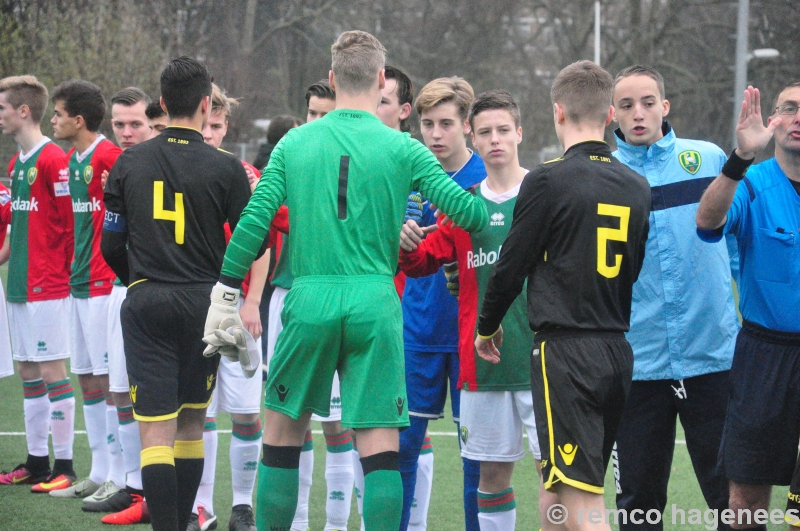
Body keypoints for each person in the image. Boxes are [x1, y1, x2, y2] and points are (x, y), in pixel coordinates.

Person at [203, 30, 488, 531]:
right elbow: (471, 211)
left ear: (332, 80)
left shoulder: (295, 141)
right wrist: (422, 230)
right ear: (381, 81)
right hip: (375, 303)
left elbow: (255, 221)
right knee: (379, 451)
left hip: (309, 300)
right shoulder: (403, 147)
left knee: (282, 438)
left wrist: (226, 293)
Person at [475, 61, 651, 531]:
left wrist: (486, 326)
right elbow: (632, 269)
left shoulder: (548, 179)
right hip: (616, 350)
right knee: (558, 483)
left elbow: (511, 267)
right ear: (611, 113)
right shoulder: (637, 186)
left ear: (557, 112)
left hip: (567, 354)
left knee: (580, 500)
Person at [101, 56, 253, 531]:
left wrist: (139, 280)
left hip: (147, 303)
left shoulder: (129, 161)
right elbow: (254, 240)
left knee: (154, 433)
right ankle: (186, 523)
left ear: (161, 104)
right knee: (191, 424)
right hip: (203, 306)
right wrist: (225, 289)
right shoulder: (227, 167)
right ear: (207, 104)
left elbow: (110, 243)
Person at [399, 89, 559, 531]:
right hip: (481, 366)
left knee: (556, 476)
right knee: (490, 477)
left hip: (542, 361)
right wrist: (406, 244)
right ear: (473, 134)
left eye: (503, 130)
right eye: (485, 131)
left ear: (520, 133)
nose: (495, 140)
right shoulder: (465, 205)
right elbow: (422, 260)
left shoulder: (547, 194)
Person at [610, 65, 738, 531]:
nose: (638, 113)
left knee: (732, 500)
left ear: (665, 106)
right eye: (626, 105)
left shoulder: (707, 160)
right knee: (638, 507)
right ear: (612, 115)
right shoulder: (604, 176)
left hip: (713, 358)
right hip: (638, 364)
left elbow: (736, 244)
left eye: (647, 102)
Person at [696, 83, 800, 531]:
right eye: (790, 109)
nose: (799, 118)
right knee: (745, 499)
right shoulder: (752, 183)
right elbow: (707, 221)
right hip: (766, 355)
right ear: (773, 119)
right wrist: (739, 159)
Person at [265, 77, 359, 531]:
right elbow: (270, 214)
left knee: (338, 428)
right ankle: (297, 522)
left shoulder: (354, 159)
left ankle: (337, 525)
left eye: (327, 113)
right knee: (288, 423)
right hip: (290, 296)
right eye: (313, 114)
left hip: (340, 299)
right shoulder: (292, 155)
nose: (319, 122)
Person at [399, 75, 484, 531]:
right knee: (401, 447)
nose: (435, 134)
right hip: (417, 331)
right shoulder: (407, 173)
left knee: (477, 457)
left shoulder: (486, 179)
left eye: (445, 123)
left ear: (467, 125)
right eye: (427, 124)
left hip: (473, 337)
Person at [189, 82, 268, 531]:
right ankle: (204, 506)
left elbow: (261, 245)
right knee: (199, 410)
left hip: (236, 305)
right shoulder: (179, 169)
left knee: (245, 410)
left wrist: (253, 300)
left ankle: (242, 505)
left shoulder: (245, 175)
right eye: (206, 125)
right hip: (192, 303)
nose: (211, 134)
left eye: (218, 126)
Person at [0, 75, 75, 492]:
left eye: (2, 108)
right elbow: (14, 232)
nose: (0, 116)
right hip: (20, 285)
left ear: (23, 111)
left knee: (51, 371)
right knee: (29, 372)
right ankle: (36, 461)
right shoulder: (18, 164)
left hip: (50, 286)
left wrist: (62, 278)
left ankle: (65, 467)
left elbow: (71, 227)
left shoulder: (53, 160)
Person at [47, 80, 121, 501]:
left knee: (109, 381)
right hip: (77, 283)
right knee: (87, 379)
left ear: (78, 120)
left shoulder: (110, 156)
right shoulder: (74, 161)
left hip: (103, 284)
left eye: (57, 114)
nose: (53, 121)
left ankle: (118, 474)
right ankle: (97, 470)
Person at [87, 86, 153, 525]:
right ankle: (132, 486)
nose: (126, 133)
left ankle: (154, 492)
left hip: (158, 292)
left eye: (135, 124)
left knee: (157, 398)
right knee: (118, 390)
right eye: (119, 124)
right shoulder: (118, 167)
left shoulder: (164, 164)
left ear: (154, 123)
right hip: (120, 287)